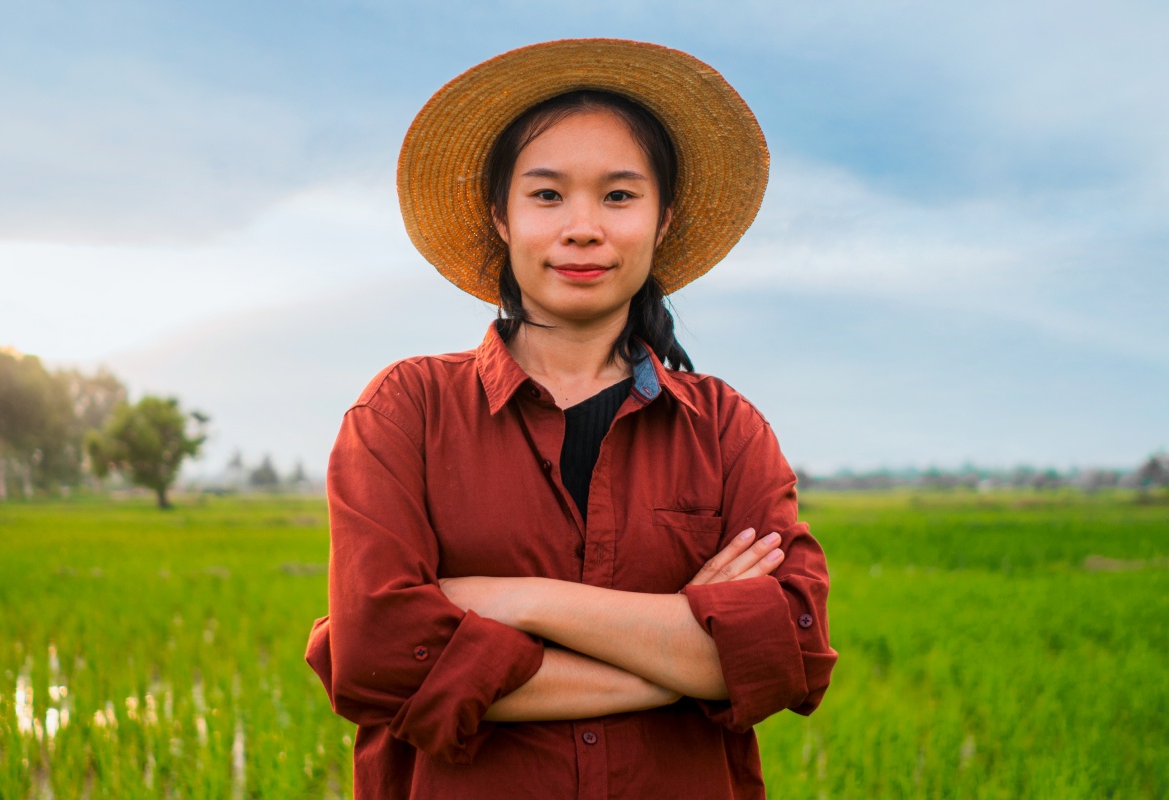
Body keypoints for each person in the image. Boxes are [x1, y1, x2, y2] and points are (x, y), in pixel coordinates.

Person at [306, 38, 837, 800]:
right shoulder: (405, 412)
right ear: (501, 216)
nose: (583, 227)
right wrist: (688, 655)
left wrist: (516, 599)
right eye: (547, 195)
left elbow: (792, 647)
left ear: (662, 218)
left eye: (619, 196)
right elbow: (379, 658)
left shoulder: (725, 429)